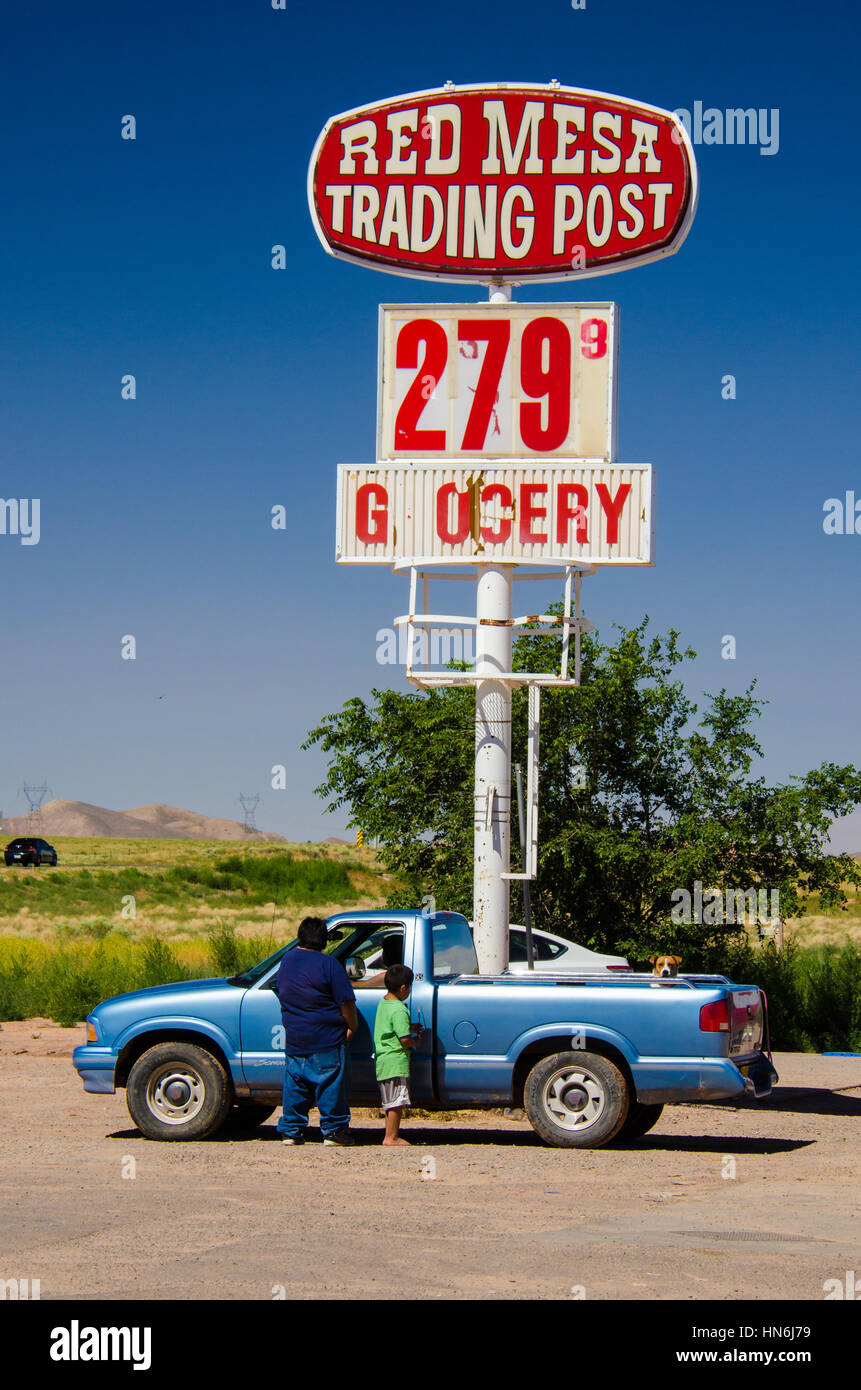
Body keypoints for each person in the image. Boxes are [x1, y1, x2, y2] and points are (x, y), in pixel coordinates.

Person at [275, 916, 358, 1146]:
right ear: (324, 940)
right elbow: (346, 1002)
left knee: (295, 1085)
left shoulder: (287, 961)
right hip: (326, 1037)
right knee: (330, 1084)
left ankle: (291, 1130)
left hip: (295, 1038)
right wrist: (352, 1026)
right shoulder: (329, 964)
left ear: (299, 937)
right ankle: (334, 1131)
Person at [373, 963, 421, 1146]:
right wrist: (416, 1041)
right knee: (396, 1101)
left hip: (383, 1061)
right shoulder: (400, 1009)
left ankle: (389, 1134)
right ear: (403, 988)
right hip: (396, 1061)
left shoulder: (385, 1003)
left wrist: (409, 1027)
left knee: (389, 1101)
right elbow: (405, 1040)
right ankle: (391, 1137)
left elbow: (391, 1028)